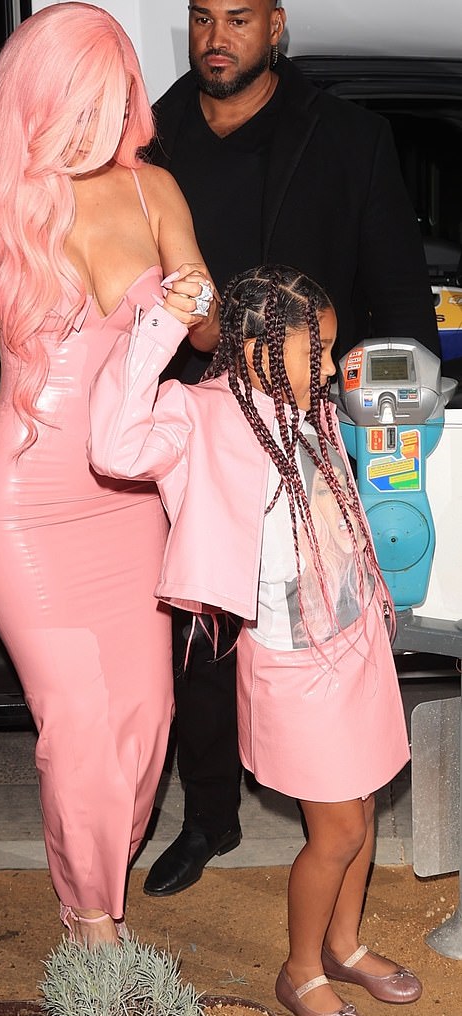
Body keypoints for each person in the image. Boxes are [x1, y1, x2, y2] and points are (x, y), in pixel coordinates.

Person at [0, 3, 218, 947]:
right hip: (21, 496)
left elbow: (203, 331)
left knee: (146, 712)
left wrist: (199, 307)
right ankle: (92, 924)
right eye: (80, 100)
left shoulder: (155, 192)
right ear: (36, 98)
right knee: (77, 715)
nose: (98, 122)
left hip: (128, 498)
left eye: (113, 101)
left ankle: (94, 881)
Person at [144, 0, 441, 897]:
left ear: (277, 27)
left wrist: (384, 397)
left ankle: (337, 805)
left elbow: (400, 292)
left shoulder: (349, 136)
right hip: (198, 427)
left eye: (238, 17)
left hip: (315, 430)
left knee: (319, 633)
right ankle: (207, 818)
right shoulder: (152, 141)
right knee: (198, 641)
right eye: (201, 17)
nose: (216, 36)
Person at [88, 263, 422, 1016]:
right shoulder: (198, 414)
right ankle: (301, 967)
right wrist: (162, 327)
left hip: (356, 638)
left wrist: (376, 595)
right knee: (335, 829)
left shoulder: (311, 406)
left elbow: (338, 508)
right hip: (290, 655)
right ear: (253, 346)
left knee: (364, 807)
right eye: (320, 349)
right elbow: (113, 445)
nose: (331, 365)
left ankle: (344, 945)